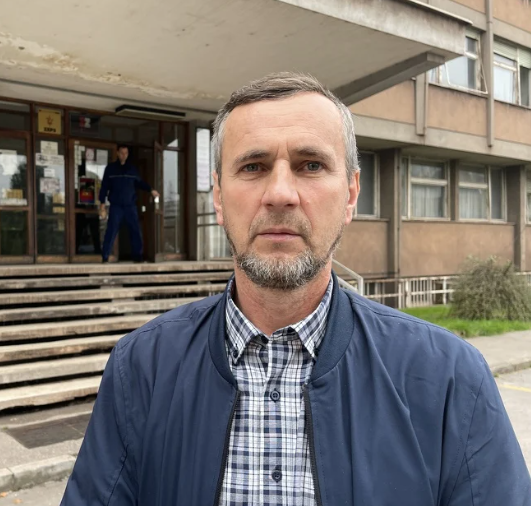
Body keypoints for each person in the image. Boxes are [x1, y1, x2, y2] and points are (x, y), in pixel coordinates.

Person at [61, 73, 531, 505]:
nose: (281, 194)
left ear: (350, 194)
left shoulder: (450, 379)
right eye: (253, 166)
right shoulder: (141, 370)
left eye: (310, 165)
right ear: (219, 197)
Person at [98, 145, 159, 263]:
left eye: (126, 153)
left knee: (135, 230)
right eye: (122, 153)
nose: (124, 155)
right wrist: (102, 204)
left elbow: (140, 183)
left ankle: (138, 257)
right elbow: (104, 186)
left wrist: (151, 190)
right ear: (117, 153)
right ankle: (105, 257)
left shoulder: (132, 169)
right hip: (116, 206)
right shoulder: (110, 169)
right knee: (111, 230)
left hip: (130, 206)